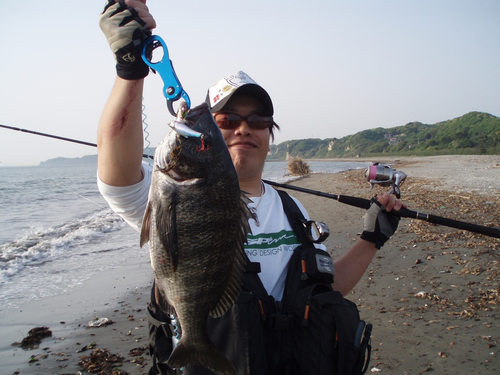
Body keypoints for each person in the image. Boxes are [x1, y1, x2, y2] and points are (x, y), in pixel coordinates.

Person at [97, 1, 406, 374]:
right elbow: (117, 172)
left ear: (270, 136)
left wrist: (371, 239)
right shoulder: (170, 192)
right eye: (226, 119)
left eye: (258, 119)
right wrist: (131, 70)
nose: (244, 128)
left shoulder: (293, 211)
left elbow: (325, 289)